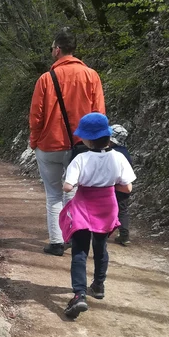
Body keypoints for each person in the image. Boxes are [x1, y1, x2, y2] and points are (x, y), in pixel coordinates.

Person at [29, 27, 106, 256]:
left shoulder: (45, 79)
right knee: (73, 192)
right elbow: (98, 114)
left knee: (53, 194)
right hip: (82, 147)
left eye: (52, 48)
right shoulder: (91, 75)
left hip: (49, 144)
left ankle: (56, 242)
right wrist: (97, 144)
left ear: (58, 50)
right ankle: (73, 236)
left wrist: (34, 141)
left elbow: (36, 116)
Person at [59, 113, 136, 319]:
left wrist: (72, 182)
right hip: (107, 205)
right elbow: (127, 187)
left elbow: (67, 188)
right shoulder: (118, 157)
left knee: (80, 251)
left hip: (84, 205)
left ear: (86, 139)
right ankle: (99, 286)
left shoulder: (81, 158)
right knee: (101, 247)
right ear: (108, 136)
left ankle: (79, 294)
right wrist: (108, 184)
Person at [110, 124, 132, 245]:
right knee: (122, 210)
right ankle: (124, 235)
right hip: (125, 185)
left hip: (113, 186)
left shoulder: (112, 153)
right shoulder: (125, 152)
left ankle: (100, 230)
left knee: (108, 208)